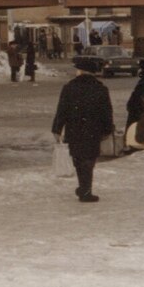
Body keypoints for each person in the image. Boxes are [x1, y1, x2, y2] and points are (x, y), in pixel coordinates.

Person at [52, 58, 115, 203]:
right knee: (89, 159)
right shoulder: (100, 88)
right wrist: (107, 129)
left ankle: (84, 189)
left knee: (78, 158)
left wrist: (57, 128)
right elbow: (107, 112)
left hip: (74, 129)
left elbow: (62, 110)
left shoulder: (69, 87)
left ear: (80, 71)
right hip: (94, 130)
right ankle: (85, 190)